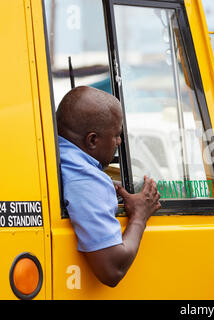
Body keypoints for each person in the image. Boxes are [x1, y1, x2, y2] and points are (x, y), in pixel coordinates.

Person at [57, 86, 161, 287]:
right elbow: (112, 269)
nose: (119, 141)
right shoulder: (87, 179)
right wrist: (140, 216)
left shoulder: (59, 154)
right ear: (93, 140)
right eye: (116, 135)